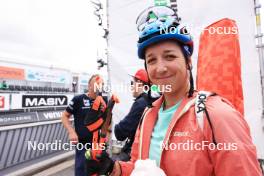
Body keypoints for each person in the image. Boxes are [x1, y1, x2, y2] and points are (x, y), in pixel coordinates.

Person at [85, 6, 262, 176]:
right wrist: (114, 169)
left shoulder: (217, 115)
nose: (160, 68)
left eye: (170, 56)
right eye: (152, 60)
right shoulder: (148, 114)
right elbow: (140, 168)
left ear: (188, 62)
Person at [61, 74, 107, 176]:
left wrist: (106, 135)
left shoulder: (105, 101)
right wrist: (71, 132)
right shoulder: (78, 99)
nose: (100, 86)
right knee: (82, 172)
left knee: (101, 172)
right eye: (97, 83)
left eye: (102, 84)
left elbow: (107, 121)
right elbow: (64, 116)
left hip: (100, 145)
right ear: (89, 86)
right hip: (83, 145)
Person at [113, 69, 157, 161]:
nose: (131, 87)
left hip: (135, 153)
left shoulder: (141, 103)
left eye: (132, 83)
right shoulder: (153, 101)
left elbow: (120, 133)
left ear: (140, 83)